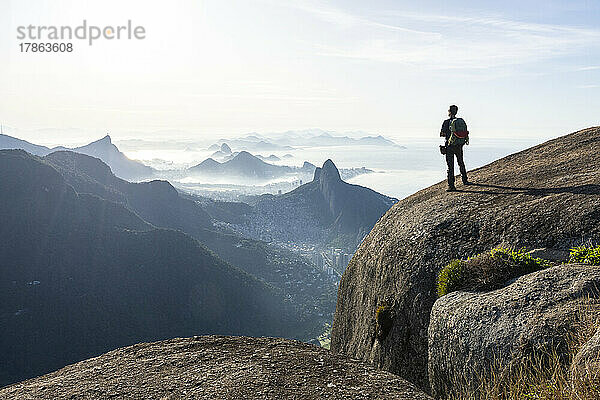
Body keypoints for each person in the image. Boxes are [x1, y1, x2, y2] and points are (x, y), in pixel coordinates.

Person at [440, 105, 469, 192]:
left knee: (450, 166)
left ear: (449, 112)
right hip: (459, 145)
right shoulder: (460, 121)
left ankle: (451, 186)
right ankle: (465, 180)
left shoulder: (446, 122)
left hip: (449, 146)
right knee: (461, 162)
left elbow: (442, 134)